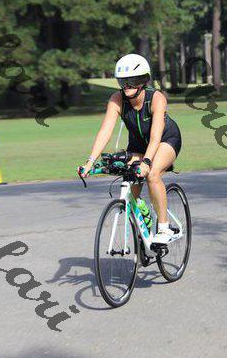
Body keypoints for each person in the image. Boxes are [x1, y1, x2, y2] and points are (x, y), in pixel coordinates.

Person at [78, 53, 182, 244]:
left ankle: (164, 227)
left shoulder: (156, 98)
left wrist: (147, 162)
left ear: (143, 81)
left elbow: (155, 136)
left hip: (165, 140)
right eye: (123, 81)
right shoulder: (117, 99)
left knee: (152, 174)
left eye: (132, 81)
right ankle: (143, 214)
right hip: (137, 145)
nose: (126, 86)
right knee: (130, 187)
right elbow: (105, 131)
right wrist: (90, 161)